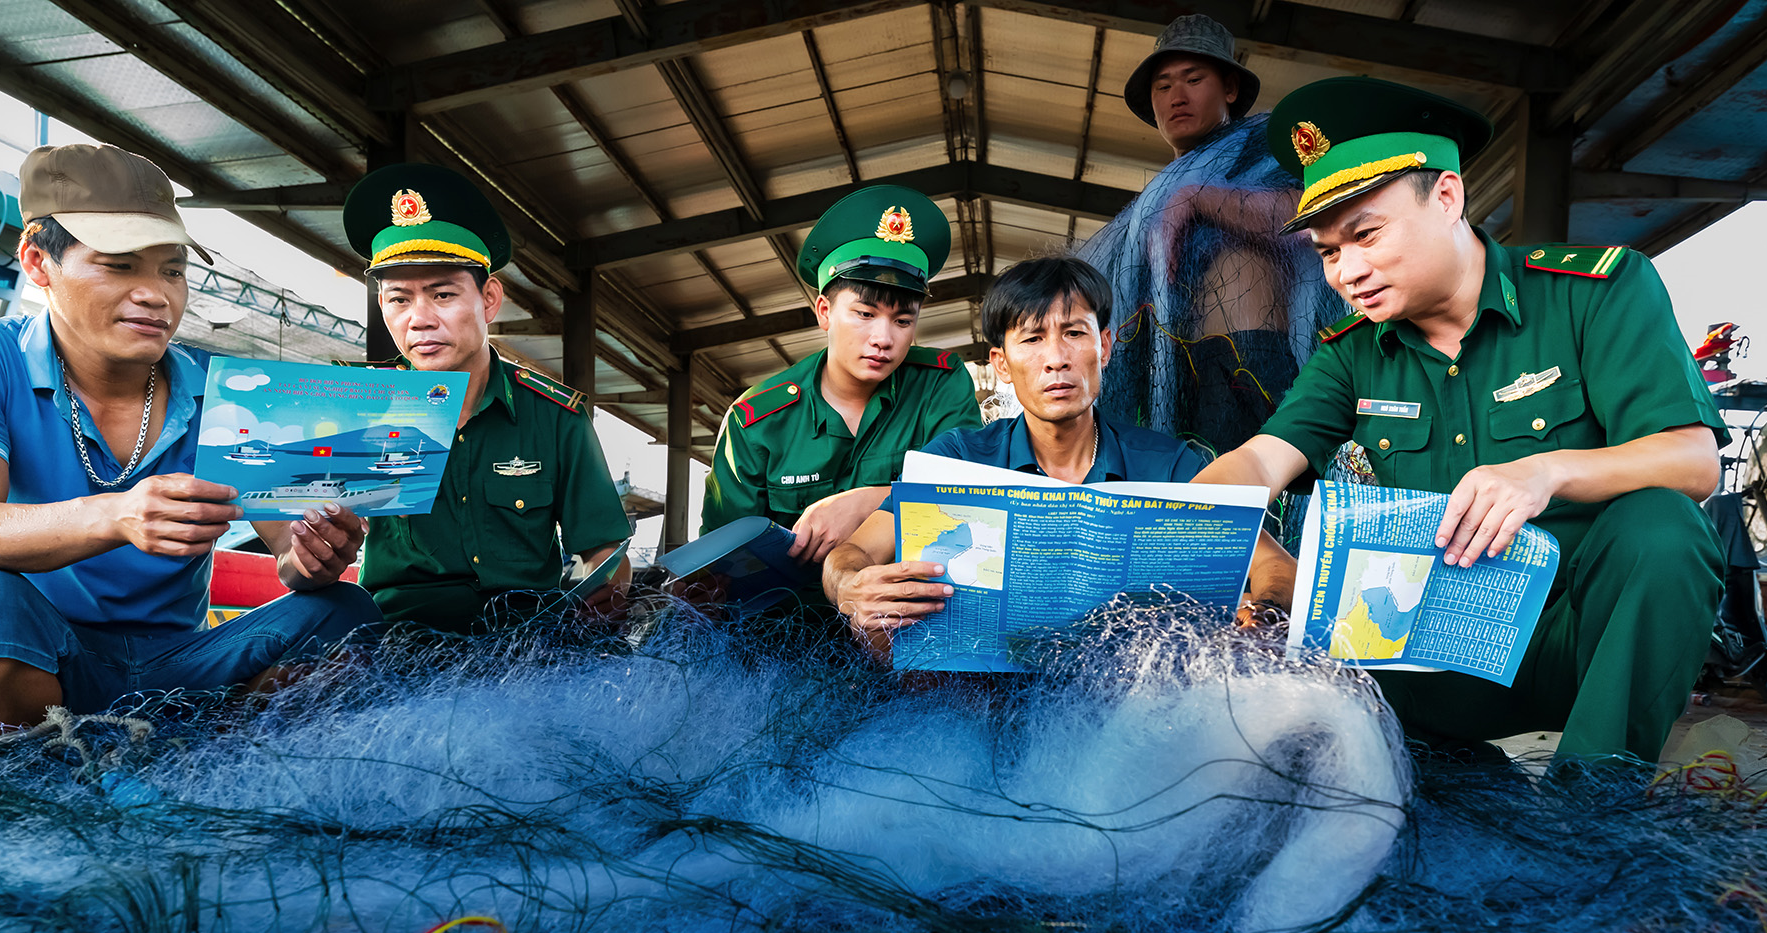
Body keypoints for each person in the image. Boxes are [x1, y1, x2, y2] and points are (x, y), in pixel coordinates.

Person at [1194, 76, 1726, 764]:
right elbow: (1266, 459)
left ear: (1446, 196)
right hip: (1428, 659)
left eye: (1366, 234)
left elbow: (1693, 462)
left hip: (1576, 646)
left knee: (1663, 527)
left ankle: (1592, 804)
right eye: (1328, 252)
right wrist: (1214, 525)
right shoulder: (1354, 353)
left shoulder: (1594, 294)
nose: (1347, 273)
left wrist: (1545, 472)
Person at [0, 144, 380, 737]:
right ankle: (38, 763)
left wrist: (316, 552)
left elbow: (290, 557)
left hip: (188, 662)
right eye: (120, 264)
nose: (157, 293)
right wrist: (115, 515)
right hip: (48, 657)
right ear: (36, 260)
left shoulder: (230, 389)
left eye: (173, 269)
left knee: (347, 614)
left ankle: (214, 748)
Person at [824, 255, 1295, 648]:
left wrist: (1265, 612)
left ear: (1104, 346)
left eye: (1074, 333)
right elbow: (853, 551)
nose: (1056, 358)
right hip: (977, 696)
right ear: (1001, 364)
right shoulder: (957, 459)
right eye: (1031, 339)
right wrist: (851, 586)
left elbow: (1274, 564)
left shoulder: (1170, 466)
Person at [341, 163, 631, 634]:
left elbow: (604, 552)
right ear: (382, 306)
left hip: (528, 642)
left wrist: (596, 622)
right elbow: (300, 563)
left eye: (442, 294)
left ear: (489, 299)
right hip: (399, 645)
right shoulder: (358, 408)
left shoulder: (555, 418)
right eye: (399, 299)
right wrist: (311, 554)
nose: (420, 319)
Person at [1078, 14, 1342, 471]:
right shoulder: (1154, 196)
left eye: (1194, 79)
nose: (1177, 96)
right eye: (1162, 87)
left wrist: (1203, 198)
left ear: (1230, 90)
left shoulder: (1265, 144)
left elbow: (1315, 209)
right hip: (1167, 380)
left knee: (1257, 510)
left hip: (1251, 369)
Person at [699, 185, 982, 582]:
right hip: (787, 627)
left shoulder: (940, 385)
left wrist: (870, 502)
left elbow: (972, 497)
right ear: (825, 311)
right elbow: (722, 557)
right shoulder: (757, 420)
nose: (884, 338)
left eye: (903, 321)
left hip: (905, 616)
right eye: (865, 314)